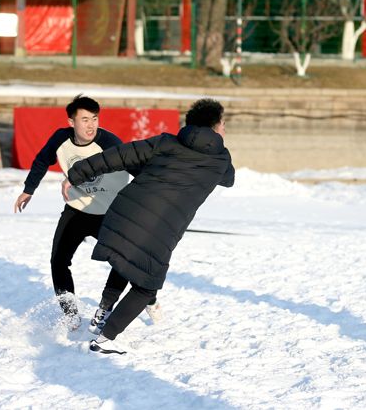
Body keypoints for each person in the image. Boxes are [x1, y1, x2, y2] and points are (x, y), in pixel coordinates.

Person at [62, 98, 235, 355]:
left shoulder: (166, 143)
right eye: (223, 124)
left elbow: (120, 156)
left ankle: (102, 313)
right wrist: (219, 148)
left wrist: (76, 174)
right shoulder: (220, 160)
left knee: (125, 259)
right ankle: (105, 339)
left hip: (125, 211)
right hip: (161, 229)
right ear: (216, 126)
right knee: (146, 286)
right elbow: (229, 179)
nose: (225, 128)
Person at [13, 95, 133, 329]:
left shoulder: (109, 142)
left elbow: (135, 165)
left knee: (126, 261)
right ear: (71, 122)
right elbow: (41, 160)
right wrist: (29, 190)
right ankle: (70, 313)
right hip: (76, 210)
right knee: (58, 261)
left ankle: (116, 304)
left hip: (110, 212)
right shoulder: (61, 138)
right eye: (85, 119)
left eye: (95, 119)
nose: (91, 125)